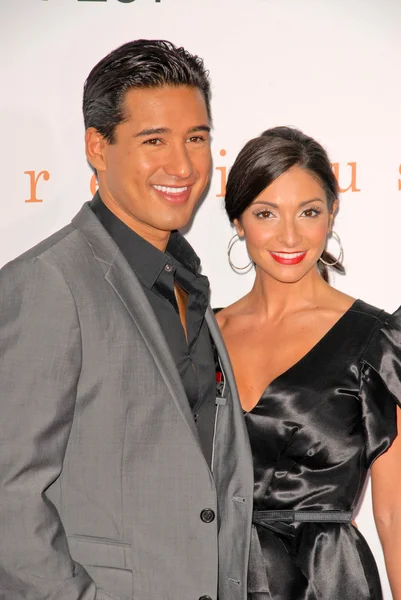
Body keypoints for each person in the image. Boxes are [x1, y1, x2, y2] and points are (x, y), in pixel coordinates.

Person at [0, 40, 253, 600]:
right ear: (97, 146)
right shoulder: (49, 283)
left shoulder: (187, 283)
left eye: (197, 138)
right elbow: (8, 502)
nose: (183, 165)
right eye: (154, 140)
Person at [216, 126, 401, 600]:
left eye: (309, 212)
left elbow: (395, 513)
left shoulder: (376, 340)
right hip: (211, 575)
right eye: (266, 214)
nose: (290, 235)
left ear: (332, 214)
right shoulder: (196, 336)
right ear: (238, 221)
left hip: (327, 582)